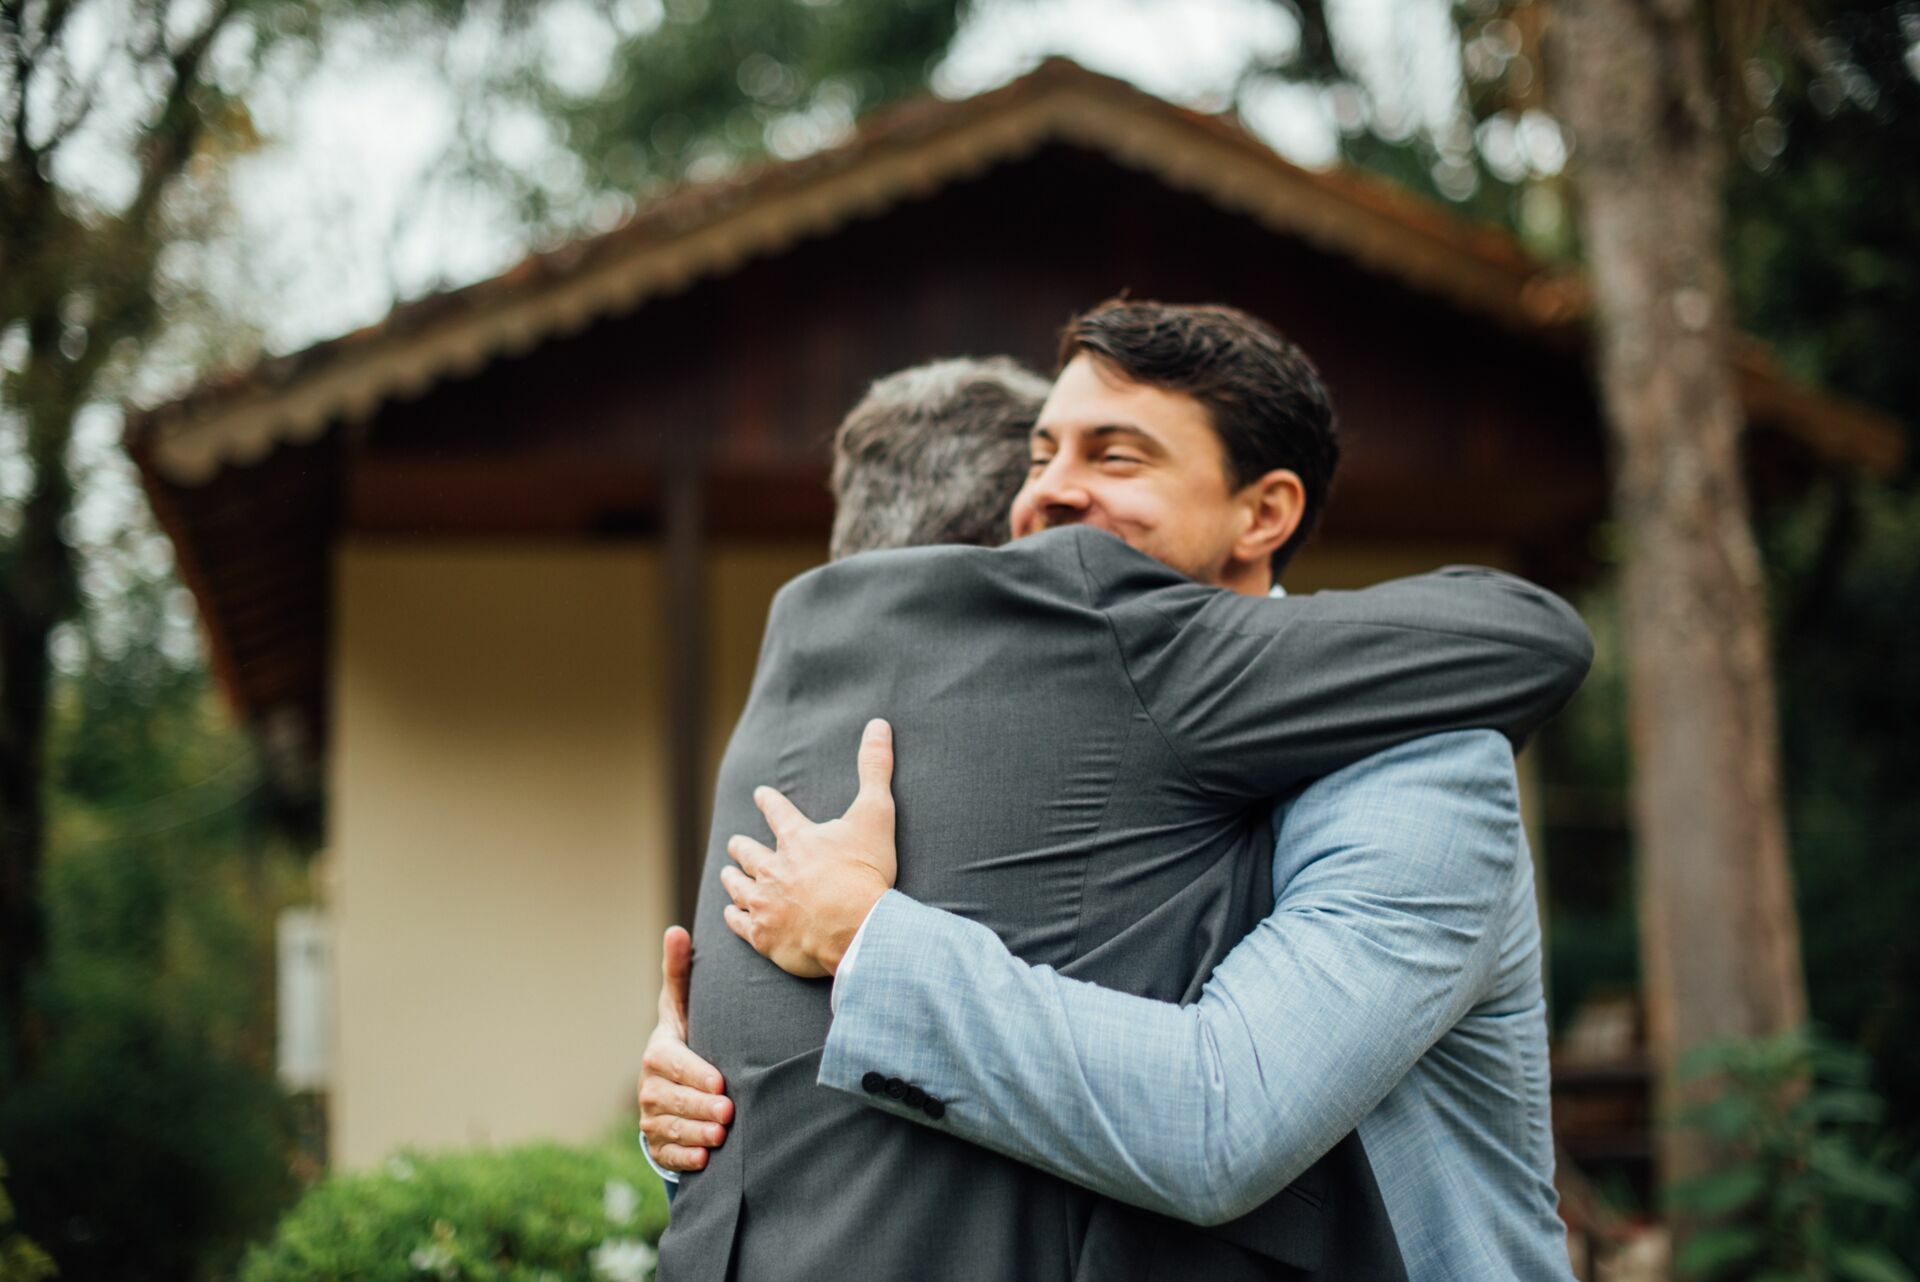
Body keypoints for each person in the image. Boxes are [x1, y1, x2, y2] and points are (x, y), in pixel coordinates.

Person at [646, 302, 1592, 1282]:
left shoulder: (1421, 767)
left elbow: (1221, 1119)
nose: (1050, 494)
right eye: (1042, 453)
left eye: (1117, 457)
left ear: (1262, 512)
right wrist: (716, 1091)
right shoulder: (1038, 738)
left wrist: (867, 941)